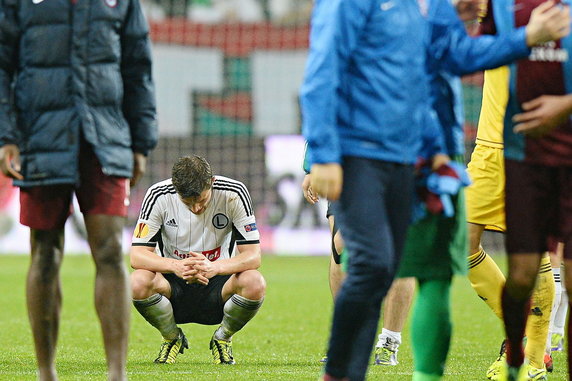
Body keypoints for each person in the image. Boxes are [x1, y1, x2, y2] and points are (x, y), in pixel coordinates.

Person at [300, 1, 566, 380]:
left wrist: (526, 38)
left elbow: (458, 54)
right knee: (373, 263)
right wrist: (322, 154)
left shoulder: (432, 7)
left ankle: (427, 374)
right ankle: (341, 372)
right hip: (363, 154)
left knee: (435, 274)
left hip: (429, 157)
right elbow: (323, 69)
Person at [0, 2, 157, 381]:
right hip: (40, 137)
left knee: (108, 250)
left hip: (103, 137)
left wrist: (140, 141)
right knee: (46, 252)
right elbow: (3, 64)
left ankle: (117, 375)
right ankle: (46, 373)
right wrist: (6, 135)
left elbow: (138, 65)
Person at [478, 1, 572, 378]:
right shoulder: (501, 9)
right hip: (507, 152)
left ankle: (534, 351)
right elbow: (463, 50)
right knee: (464, 246)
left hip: (547, 151)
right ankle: (525, 340)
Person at [130, 155, 266, 365]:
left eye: (201, 201)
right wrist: (176, 266)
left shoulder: (234, 193)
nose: (196, 209)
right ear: (176, 189)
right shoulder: (158, 195)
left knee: (254, 282)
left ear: (211, 182)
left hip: (218, 285)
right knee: (137, 281)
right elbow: (136, 255)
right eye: (187, 203)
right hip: (173, 285)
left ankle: (223, 338)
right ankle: (171, 337)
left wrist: (215, 267)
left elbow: (253, 255)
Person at [466, 65, 556, 380]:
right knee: (462, 244)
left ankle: (531, 362)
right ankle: (522, 335)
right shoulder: (497, 18)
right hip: (488, 149)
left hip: (531, 149)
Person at [301, 173, 416, 366]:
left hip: (398, 162)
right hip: (350, 167)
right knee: (339, 247)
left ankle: (389, 342)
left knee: (399, 250)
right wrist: (313, 166)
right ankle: (348, 339)